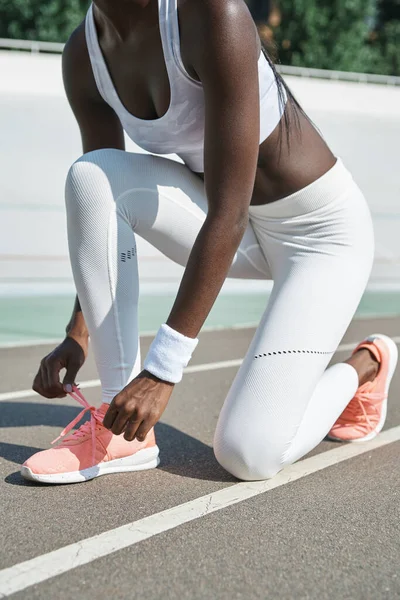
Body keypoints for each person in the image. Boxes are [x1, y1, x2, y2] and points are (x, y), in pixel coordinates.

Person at [22, 0, 397, 484]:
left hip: (318, 237)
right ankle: (119, 436)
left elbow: (229, 213)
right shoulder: (83, 53)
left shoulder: (212, 14)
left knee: (248, 455)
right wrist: (79, 332)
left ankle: (367, 365)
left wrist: (162, 371)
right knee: (90, 175)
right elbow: (99, 203)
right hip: (230, 222)